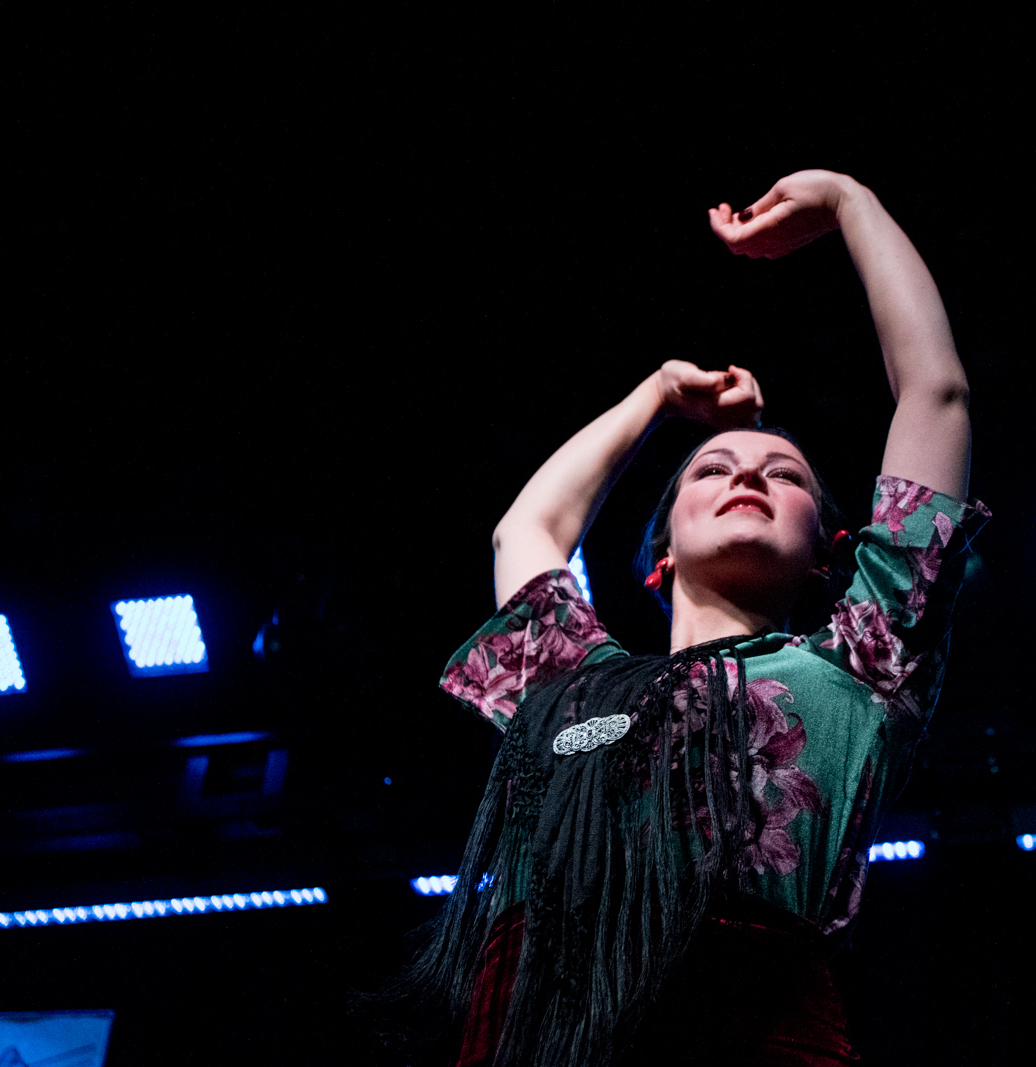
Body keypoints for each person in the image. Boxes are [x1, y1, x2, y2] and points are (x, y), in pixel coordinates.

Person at [389, 169, 989, 1066]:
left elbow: (934, 395)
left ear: (831, 552)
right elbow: (528, 529)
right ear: (661, 553)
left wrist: (845, 202)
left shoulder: (862, 662)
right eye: (710, 469)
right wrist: (660, 396)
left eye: (783, 475)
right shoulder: (566, 680)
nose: (747, 475)